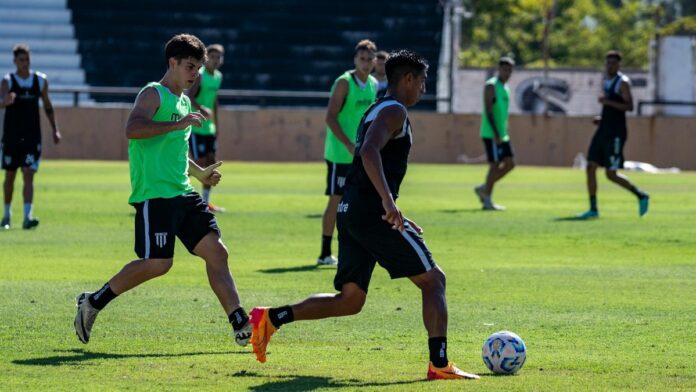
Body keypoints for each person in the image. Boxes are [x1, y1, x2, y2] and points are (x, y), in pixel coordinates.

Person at [249, 50, 480, 381]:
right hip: (372, 213)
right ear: (408, 79)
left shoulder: (375, 109)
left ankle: (272, 318)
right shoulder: (395, 110)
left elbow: (368, 161)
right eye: (423, 81)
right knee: (433, 280)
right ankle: (439, 364)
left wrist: (394, 205)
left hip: (352, 210)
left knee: (350, 300)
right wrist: (388, 203)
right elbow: (369, 151)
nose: (424, 89)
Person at [73, 34, 251, 347]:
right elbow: (133, 129)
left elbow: (177, 152)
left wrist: (200, 174)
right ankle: (93, 302)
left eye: (197, 68)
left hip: (183, 194)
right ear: (173, 63)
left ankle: (238, 319)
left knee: (217, 252)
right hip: (155, 196)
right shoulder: (153, 94)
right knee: (158, 263)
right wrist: (177, 123)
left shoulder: (183, 101)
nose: (195, 73)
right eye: (190, 66)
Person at [317, 39, 378, 265]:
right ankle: (324, 252)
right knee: (336, 200)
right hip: (340, 155)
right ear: (355, 60)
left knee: (360, 201)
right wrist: (348, 144)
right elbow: (330, 117)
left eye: (369, 59)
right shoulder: (344, 82)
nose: (366, 62)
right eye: (362, 58)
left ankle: (356, 248)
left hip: (360, 154)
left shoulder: (372, 84)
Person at [576, 50, 649, 219]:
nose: (610, 66)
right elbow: (612, 110)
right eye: (608, 63)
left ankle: (641, 195)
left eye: (613, 63)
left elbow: (629, 107)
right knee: (590, 166)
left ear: (619, 65)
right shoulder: (606, 82)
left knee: (611, 174)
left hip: (616, 134)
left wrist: (607, 102)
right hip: (603, 130)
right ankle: (593, 209)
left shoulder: (622, 82)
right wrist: (602, 119)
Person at [0, 44, 61, 230]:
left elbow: (48, 106)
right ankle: (7, 215)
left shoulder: (40, 81)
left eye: (27, 59)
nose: (25, 63)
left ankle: (28, 216)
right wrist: (5, 102)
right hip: (11, 137)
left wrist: (55, 129)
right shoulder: (8, 81)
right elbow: (1, 102)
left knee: (29, 174)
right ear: (15, 61)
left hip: (32, 137)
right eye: (21, 60)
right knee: (10, 176)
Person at [187, 43, 225, 213]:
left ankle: (205, 203)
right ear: (207, 58)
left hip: (208, 128)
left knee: (211, 163)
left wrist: (216, 124)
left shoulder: (218, 77)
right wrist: (201, 109)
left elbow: (215, 101)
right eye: (213, 57)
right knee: (197, 164)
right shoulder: (200, 76)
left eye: (219, 57)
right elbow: (190, 97)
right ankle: (178, 196)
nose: (216, 60)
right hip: (196, 127)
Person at [474, 57, 515, 211]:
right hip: (491, 133)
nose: (508, 72)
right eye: (505, 69)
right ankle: (487, 200)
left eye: (510, 70)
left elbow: (502, 113)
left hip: (503, 133)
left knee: (510, 164)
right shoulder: (491, 86)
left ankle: (484, 187)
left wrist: (505, 130)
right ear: (499, 69)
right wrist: (496, 133)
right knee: (495, 164)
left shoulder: (506, 88)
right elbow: (489, 111)